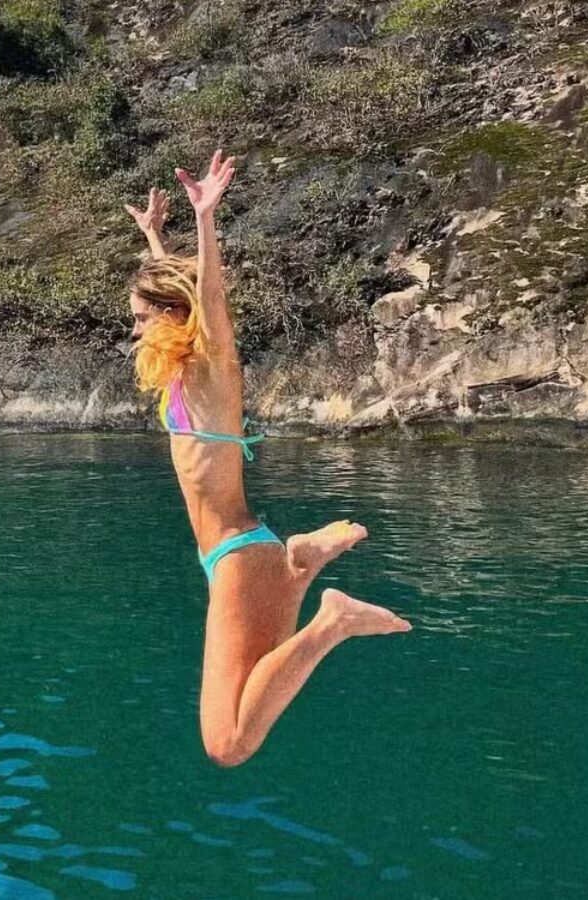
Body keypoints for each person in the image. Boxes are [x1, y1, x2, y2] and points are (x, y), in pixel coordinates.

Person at [124, 151, 412, 768]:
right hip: (237, 554)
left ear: (176, 316)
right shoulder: (181, 377)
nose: (137, 331)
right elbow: (176, 290)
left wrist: (205, 219)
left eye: (143, 320)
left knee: (227, 745)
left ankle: (332, 619)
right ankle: (300, 566)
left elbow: (207, 298)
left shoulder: (211, 369)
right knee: (256, 692)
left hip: (237, 557)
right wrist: (154, 238)